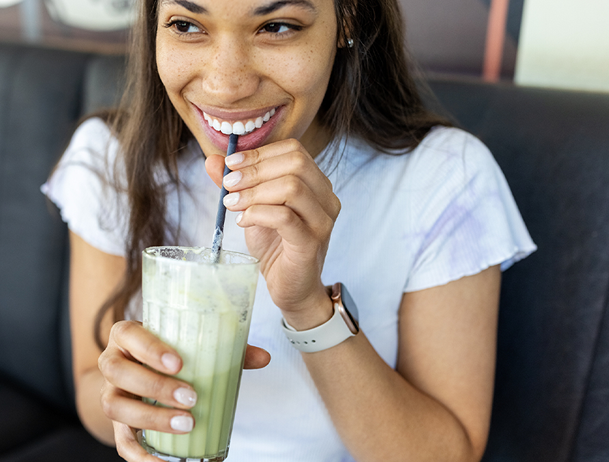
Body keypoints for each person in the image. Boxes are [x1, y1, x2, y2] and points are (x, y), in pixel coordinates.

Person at [42, 0, 536, 460]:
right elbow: (92, 388)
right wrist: (135, 400)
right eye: (187, 25)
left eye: (277, 26)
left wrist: (308, 308)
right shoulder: (110, 159)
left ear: (349, 20)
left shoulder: (445, 178)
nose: (225, 85)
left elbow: (448, 453)